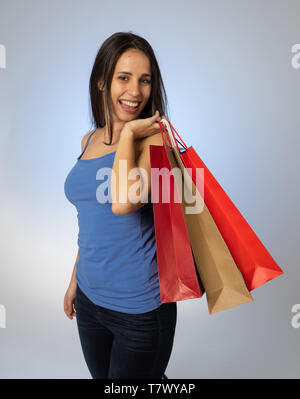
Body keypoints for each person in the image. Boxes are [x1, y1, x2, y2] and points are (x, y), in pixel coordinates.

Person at [63, 32, 177, 379]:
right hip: (89, 299)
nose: (136, 91)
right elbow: (92, 223)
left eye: (144, 80)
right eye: (123, 78)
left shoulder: (156, 140)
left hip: (139, 311)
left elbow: (123, 204)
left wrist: (129, 135)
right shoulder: (89, 139)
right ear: (102, 81)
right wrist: (74, 282)